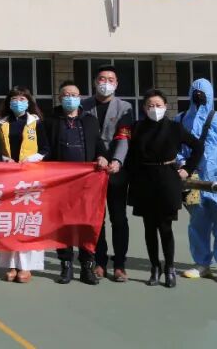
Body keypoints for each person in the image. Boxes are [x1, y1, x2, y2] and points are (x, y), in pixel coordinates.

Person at [124, 89, 203, 288]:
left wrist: (187, 169)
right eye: (150, 105)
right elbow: (131, 156)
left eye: (158, 105)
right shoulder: (137, 127)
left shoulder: (175, 128)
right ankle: (154, 267)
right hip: (144, 181)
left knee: (165, 227)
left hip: (168, 179)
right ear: (144, 108)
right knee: (149, 228)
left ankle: (169, 268)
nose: (154, 109)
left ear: (165, 107)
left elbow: (197, 146)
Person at [174, 78, 217, 285]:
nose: (198, 96)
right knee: (198, 224)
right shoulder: (180, 119)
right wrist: (182, 165)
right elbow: (176, 149)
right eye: (195, 92)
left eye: (202, 93)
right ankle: (202, 263)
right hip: (194, 182)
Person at [80, 65, 135, 282]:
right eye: (102, 79)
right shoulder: (83, 105)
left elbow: (124, 137)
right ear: (95, 82)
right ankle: (99, 261)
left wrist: (117, 161)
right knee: (97, 219)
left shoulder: (125, 107)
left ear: (116, 83)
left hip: (116, 170)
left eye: (110, 79)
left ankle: (119, 264)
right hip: (92, 170)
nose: (106, 83)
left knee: (118, 218)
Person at [46, 81, 102, 285]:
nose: (70, 98)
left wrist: (103, 156)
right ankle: (66, 265)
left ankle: (87, 266)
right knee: (62, 224)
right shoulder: (50, 120)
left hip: (87, 182)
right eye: (66, 95)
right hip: (60, 182)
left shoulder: (90, 120)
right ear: (60, 98)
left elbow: (98, 144)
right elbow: (45, 148)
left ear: (80, 98)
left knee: (86, 223)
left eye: (74, 95)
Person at [0, 86, 49, 283]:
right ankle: (11, 265)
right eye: (14, 99)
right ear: (8, 102)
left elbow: (46, 148)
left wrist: (31, 159)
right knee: (8, 221)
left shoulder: (36, 122)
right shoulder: (0, 123)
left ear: (28, 102)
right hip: (7, 177)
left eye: (22, 99)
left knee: (28, 222)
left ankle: (26, 266)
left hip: (30, 178)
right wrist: (4, 159)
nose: (18, 102)